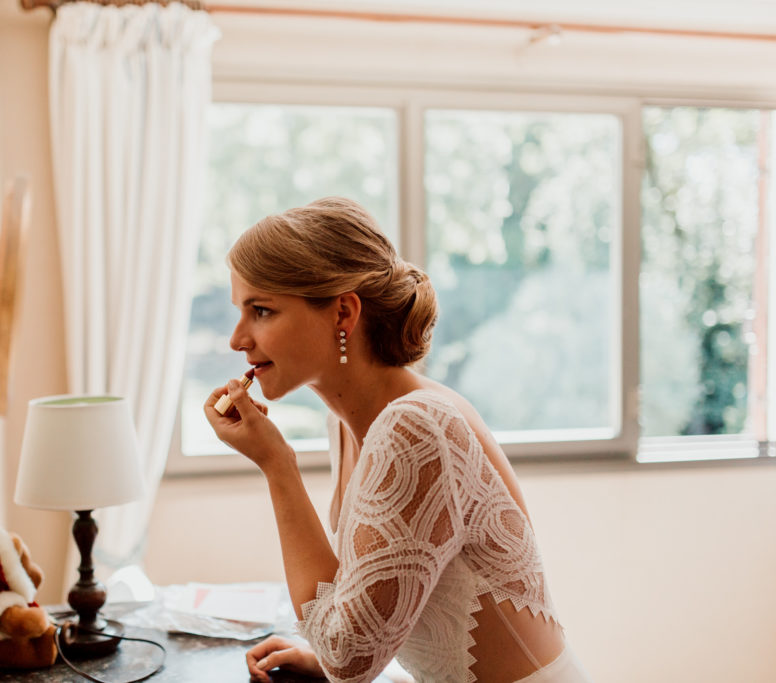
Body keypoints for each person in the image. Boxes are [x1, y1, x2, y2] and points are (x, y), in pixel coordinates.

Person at [203, 197, 592, 683]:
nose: (237, 339)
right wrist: (319, 658)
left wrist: (277, 464)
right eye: (241, 311)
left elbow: (349, 659)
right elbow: (367, 613)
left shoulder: (415, 427)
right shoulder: (348, 423)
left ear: (343, 312)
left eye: (261, 310)